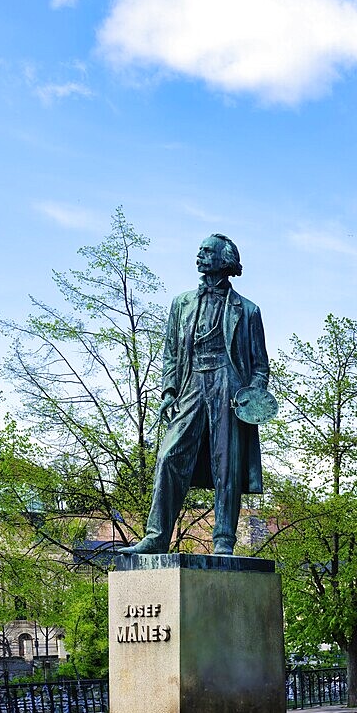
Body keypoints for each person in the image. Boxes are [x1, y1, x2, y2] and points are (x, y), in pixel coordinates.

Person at [119, 234, 269, 556]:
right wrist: (169, 390)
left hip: (228, 387)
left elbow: (260, 366)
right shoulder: (182, 303)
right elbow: (171, 352)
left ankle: (223, 541)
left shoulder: (248, 311)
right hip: (192, 385)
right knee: (168, 456)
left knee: (225, 465)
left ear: (224, 260)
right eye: (199, 251)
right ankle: (156, 536)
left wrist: (253, 396)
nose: (199, 256)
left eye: (206, 251)